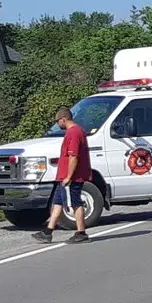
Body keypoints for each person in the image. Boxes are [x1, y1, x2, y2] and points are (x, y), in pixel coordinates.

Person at [37, 103, 93, 243]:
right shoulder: (74, 132)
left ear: (63, 119)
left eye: (58, 121)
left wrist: (69, 176)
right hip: (64, 177)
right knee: (57, 202)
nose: (58, 124)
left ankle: (81, 232)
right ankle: (48, 232)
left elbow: (73, 156)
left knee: (75, 202)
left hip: (72, 177)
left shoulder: (74, 132)